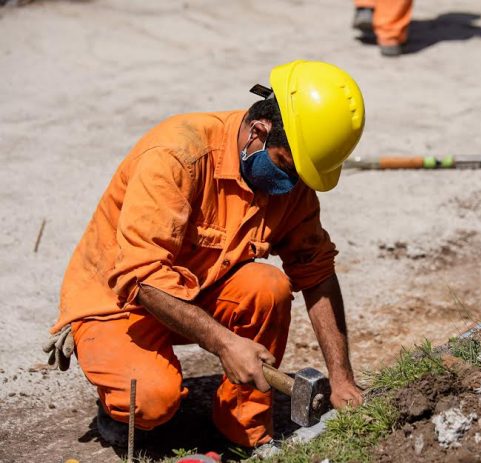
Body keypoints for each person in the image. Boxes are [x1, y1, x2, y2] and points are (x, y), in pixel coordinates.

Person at [45, 60, 366, 449]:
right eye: (286, 166)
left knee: (267, 287)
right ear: (259, 133)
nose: (291, 183)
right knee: (151, 401)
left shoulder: (291, 184)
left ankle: (240, 430)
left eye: (301, 174)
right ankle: (115, 408)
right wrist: (224, 343)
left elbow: (316, 271)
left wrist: (342, 377)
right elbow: (141, 277)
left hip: (196, 290)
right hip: (119, 302)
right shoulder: (178, 154)